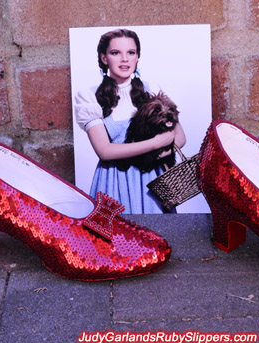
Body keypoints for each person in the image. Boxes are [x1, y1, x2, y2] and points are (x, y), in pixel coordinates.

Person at [74, 28, 186, 214]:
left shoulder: (152, 90)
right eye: (115, 53)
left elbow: (180, 137)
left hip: (152, 179)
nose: (124, 59)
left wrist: (156, 155)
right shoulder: (89, 97)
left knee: (158, 237)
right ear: (104, 58)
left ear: (137, 57)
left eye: (131, 53)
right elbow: (105, 151)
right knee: (118, 238)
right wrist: (155, 143)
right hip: (114, 182)